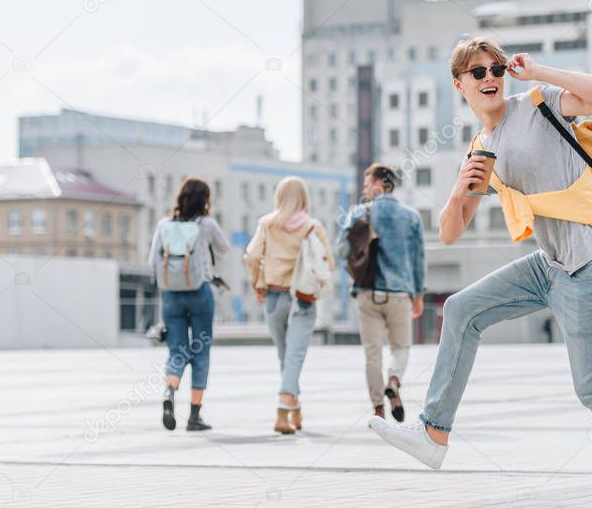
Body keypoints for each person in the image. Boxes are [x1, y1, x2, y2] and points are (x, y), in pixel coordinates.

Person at [367, 37, 592, 508]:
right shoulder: (480, 146)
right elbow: (449, 231)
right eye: (478, 71)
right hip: (552, 263)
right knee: (463, 309)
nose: (490, 77)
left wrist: (541, 72)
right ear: (459, 84)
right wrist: (460, 188)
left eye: (496, 68)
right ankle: (433, 434)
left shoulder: (538, 103)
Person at [245, 176, 335, 435]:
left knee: (286, 355)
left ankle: (294, 408)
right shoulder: (312, 226)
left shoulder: (267, 224)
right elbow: (327, 262)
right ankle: (284, 409)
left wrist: (256, 283)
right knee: (293, 356)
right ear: (304, 198)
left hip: (273, 297)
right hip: (303, 299)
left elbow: (251, 256)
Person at [336, 163, 426, 421]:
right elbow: (418, 259)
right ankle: (394, 381)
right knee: (401, 347)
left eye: (366, 186)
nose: (364, 192)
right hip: (400, 294)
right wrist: (418, 294)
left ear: (378, 186)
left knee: (372, 353)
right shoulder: (411, 217)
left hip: (367, 292)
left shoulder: (358, 214)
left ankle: (378, 410)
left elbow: (341, 250)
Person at [148, 177, 230, 432]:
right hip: (200, 292)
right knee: (200, 351)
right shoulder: (206, 224)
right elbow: (224, 248)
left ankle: (169, 392)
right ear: (205, 200)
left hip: (171, 294)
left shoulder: (164, 224)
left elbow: (153, 259)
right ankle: (194, 416)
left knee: (177, 350)